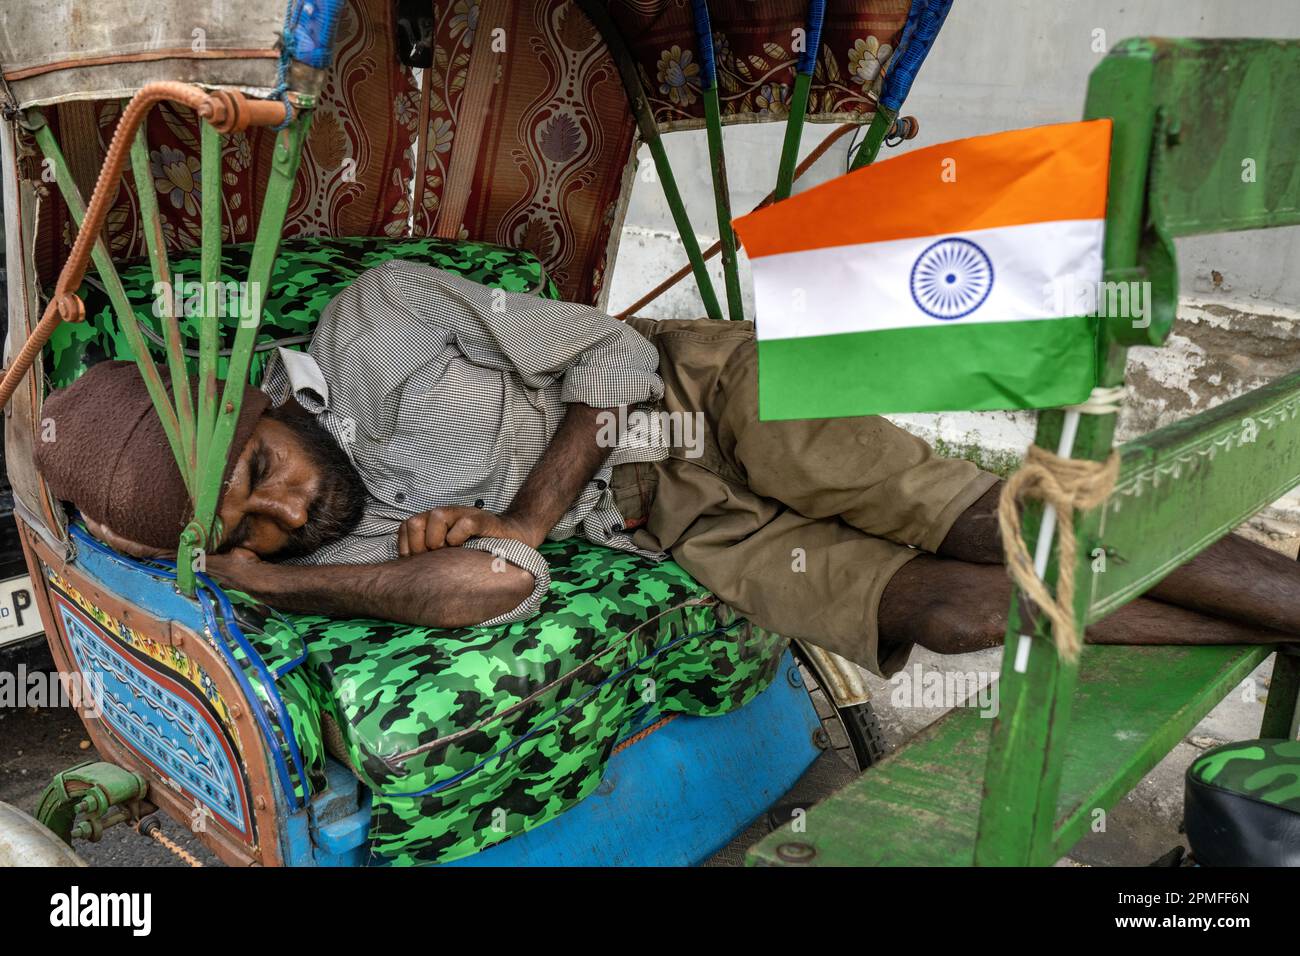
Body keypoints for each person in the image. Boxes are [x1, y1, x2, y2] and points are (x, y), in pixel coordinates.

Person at [35, 262, 1300, 676]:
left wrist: (519, 517)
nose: (289, 506)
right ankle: (1269, 635)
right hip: (651, 515)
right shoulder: (325, 548)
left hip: (693, 396)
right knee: (940, 610)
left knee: (965, 520)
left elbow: (605, 356)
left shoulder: (379, 315)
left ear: (258, 395)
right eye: (260, 526)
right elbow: (499, 593)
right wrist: (279, 585)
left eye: (259, 464)